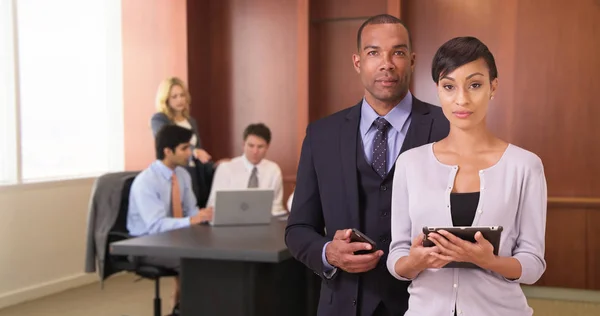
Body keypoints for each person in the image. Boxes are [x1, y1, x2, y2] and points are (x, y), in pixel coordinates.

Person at [285, 14, 450, 316]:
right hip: (343, 305)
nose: (386, 63)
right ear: (358, 62)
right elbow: (298, 228)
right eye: (374, 52)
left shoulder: (447, 127)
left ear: (412, 61)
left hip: (425, 303)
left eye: (397, 52)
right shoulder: (321, 135)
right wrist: (328, 253)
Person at [386, 36, 547, 316]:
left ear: (492, 87)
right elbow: (397, 257)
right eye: (449, 86)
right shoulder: (410, 164)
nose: (461, 99)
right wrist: (416, 262)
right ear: (437, 89)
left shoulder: (525, 166)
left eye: (475, 85)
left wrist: (489, 261)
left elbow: (532, 264)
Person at [127, 124, 214, 316]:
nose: (190, 153)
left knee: (215, 255)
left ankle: (184, 308)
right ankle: (184, 310)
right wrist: (191, 220)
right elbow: (156, 226)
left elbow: (191, 211)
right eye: (184, 148)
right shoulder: (146, 182)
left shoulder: (182, 175)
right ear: (168, 151)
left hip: (176, 239)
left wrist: (204, 216)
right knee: (194, 262)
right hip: (147, 243)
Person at [151, 77, 221, 207]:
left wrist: (215, 165)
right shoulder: (159, 119)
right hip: (175, 171)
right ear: (166, 99)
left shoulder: (191, 121)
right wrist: (194, 151)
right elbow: (170, 141)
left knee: (195, 210)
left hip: (195, 174)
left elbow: (200, 154)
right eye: (174, 96)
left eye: (182, 95)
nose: (180, 100)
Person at [207, 123, 286, 216]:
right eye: (251, 146)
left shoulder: (273, 170)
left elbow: (277, 206)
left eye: (260, 147)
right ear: (243, 144)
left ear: (267, 147)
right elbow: (213, 204)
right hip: (231, 222)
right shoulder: (226, 168)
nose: (255, 151)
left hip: (265, 223)